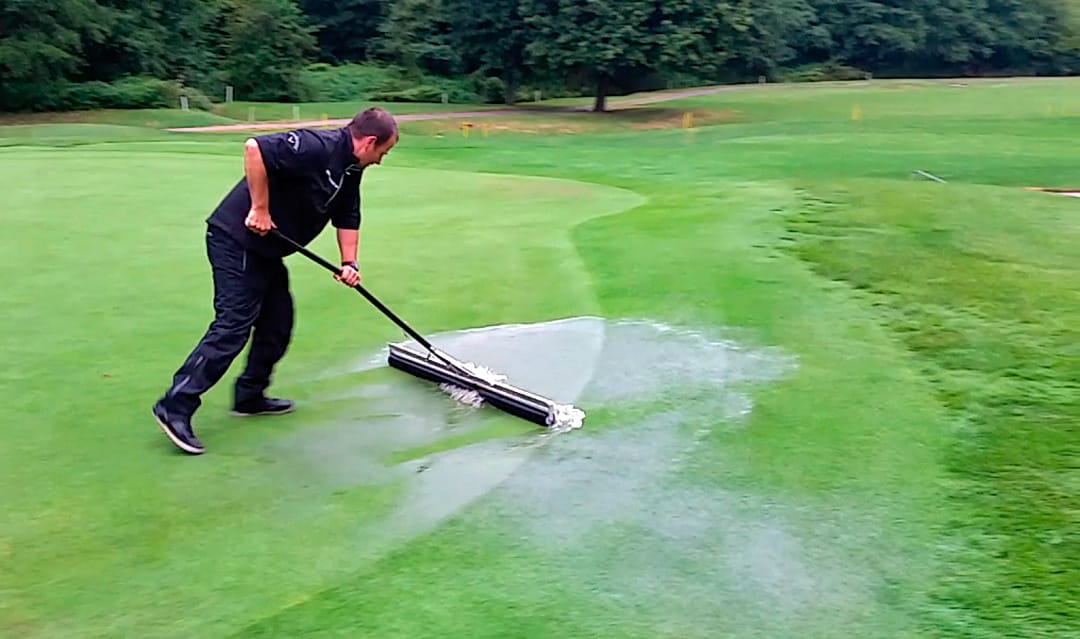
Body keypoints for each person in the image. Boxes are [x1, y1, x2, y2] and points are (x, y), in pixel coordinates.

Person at [152, 107, 399, 455]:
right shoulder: (318, 145)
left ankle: (249, 396)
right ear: (370, 141)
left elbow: (347, 216)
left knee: (277, 323)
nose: (380, 160)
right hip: (236, 239)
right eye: (382, 152)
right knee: (233, 325)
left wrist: (349, 262)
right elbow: (256, 148)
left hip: (267, 251)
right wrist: (260, 208)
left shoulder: (350, 170)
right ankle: (174, 405)